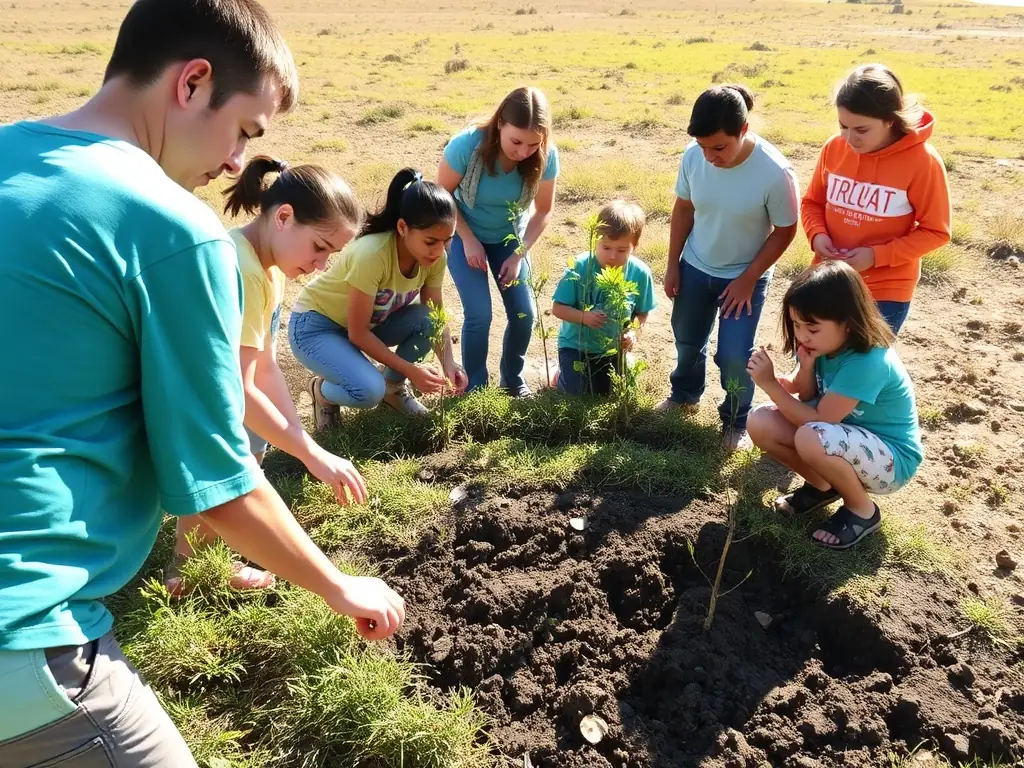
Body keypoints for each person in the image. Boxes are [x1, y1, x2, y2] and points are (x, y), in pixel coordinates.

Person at [0, 1, 403, 764]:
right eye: (246, 131)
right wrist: (339, 585)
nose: (234, 164)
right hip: (24, 635)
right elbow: (216, 481)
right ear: (192, 83)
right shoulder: (171, 229)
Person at [168, 156, 368, 597]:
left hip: (212, 391)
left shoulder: (269, 269)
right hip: (182, 395)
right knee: (229, 466)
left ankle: (196, 563)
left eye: (330, 255)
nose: (320, 265)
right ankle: (188, 566)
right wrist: (309, 453)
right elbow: (236, 389)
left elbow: (264, 364)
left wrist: (299, 438)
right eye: (319, 247)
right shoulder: (240, 268)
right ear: (283, 217)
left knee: (250, 451)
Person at [746, 261, 923, 551]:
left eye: (812, 328)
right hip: (842, 440)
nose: (802, 335)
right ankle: (822, 487)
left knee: (811, 436)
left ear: (848, 322)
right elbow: (805, 395)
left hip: (892, 460)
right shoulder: (825, 346)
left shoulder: (867, 360)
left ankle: (862, 511)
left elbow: (818, 418)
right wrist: (803, 369)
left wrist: (771, 386)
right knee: (760, 422)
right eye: (797, 325)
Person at [660, 84, 800, 450]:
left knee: (735, 356)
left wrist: (748, 278)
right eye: (703, 147)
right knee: (687, 340)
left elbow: (786, 230)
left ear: (744, 131)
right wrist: (673, 264)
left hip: (743, 277)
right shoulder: (693, 157)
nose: (709, 157)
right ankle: (684, 394)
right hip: (694, 267)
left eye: (719, 147)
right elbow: (684, 209)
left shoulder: (774, 172)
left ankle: (736, 420)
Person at [291, 168, 467, 426]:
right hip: (316, 328)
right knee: (369, 391)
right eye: (431, 241)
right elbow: (358, 333)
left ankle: (393, 390)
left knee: (427, 319)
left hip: (363, 326)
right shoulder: (372, 254)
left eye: (447, 240)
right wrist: (411, 370)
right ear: (402, 227)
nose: (439, 250)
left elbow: (436, 315)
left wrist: (449, 364)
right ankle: (322, 392)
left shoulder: (436, 258)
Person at [801, 64, 951, 334]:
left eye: (861, 129)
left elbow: (936, 232)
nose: (849, 138)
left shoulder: (923, 161)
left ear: (890, 120)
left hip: (886, 289)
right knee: (813, 364)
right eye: (843, 126)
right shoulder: (834, 148)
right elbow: (812, 203)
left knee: (861, 371)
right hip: (828, 278)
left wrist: (875, 256)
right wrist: (817, 236)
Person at [437, 85, 559, 396]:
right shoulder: (466, 146)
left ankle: (513, 379)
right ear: (500, 124)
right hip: (465, 234)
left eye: (533, 144)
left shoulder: (546, 156)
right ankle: (475, 385)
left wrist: (519, 254)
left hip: (510, 238)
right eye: (516, 141)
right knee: (479, 313)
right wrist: (467, 239)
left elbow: (543, 210)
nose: (522, 152)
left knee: (524, 314)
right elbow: (441, 198)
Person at [551, 199, 656, 395]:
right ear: (595, 240)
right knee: (577, 394)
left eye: (622, 250)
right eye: (605, 247)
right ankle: (558, 374)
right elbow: (557, 308)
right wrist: (583, 317)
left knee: (617, 393)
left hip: (612, 348)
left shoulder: (640, 273)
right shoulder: (579, 268)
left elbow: (642, 313)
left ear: (635, 245)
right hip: (576, 346)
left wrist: (633, 332)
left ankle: (626, 364)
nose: (613, 256)